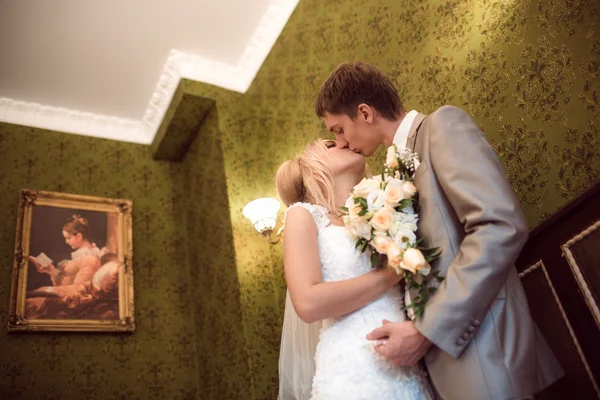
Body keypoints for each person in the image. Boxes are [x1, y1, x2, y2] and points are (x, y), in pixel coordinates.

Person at [315, 61, 563, 399]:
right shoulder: (392, 172)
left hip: (485, 348)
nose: (341, 143)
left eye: (339, 129)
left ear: (365, 112)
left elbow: (499, 227)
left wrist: (426, 330)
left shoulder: (441, 126)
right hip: (441, 366)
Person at [276, 139, 432, 399]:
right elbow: (308, 302)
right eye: (330, 143)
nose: (344, 141)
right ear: (314, 166)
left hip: (410, 361)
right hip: (353, 368)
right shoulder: (303, 215)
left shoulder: (386, 208)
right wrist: (393, 271)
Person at [26, 215, 103, 319]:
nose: (66, 242)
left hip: (69, 303)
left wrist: (50, 290)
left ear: (79, 236)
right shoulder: (80, 256)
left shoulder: (91, 258)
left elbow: (79, 292)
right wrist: (51, 271)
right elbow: (65, 284)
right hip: (62, 297)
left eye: (68, 238)